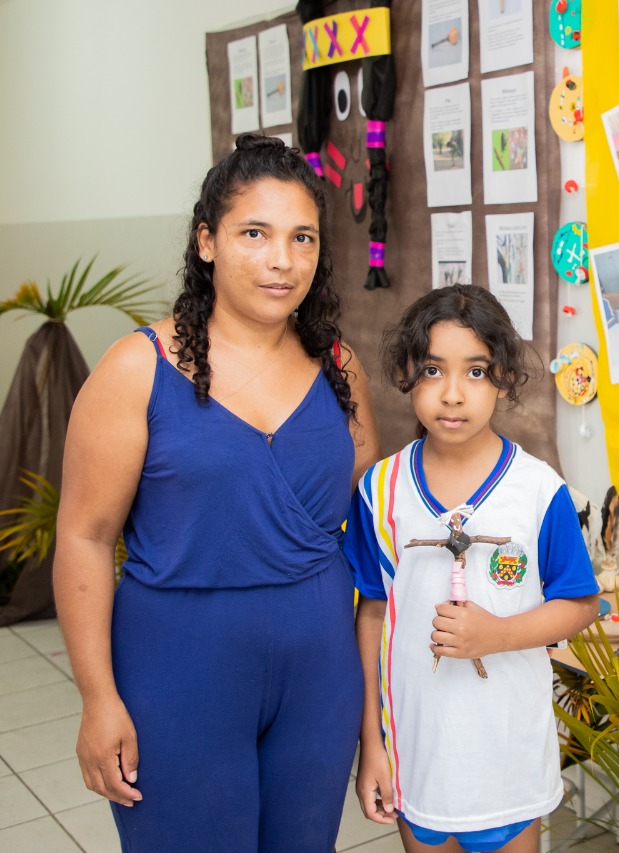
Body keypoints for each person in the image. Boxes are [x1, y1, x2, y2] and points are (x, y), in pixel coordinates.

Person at [53, 135, 380, 851]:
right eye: (254, 233)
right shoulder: (138, 370)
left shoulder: (338, 368)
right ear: (207, 241)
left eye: (302, 238)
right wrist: (97, 696)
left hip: (318, 672)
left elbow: (364, 509)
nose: (281, 260)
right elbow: (82, 536)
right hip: (179, 669)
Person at [346, 285, 599, 853]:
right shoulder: (380, 491)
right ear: (408, 373)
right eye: (433, 370)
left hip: (508, 756)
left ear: (505, 377)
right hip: (417, 752)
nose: (453, 394)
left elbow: (580, 605)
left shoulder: (538, 491)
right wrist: (373, 745)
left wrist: (498, 634)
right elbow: (372, 616)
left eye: (476, 372)